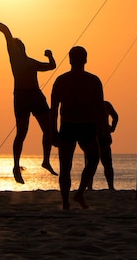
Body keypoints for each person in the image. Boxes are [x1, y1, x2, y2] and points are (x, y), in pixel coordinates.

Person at [0, 15, 57, 184]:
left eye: (20, 47)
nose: (19, 49)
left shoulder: (30, 62)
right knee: (21, 133)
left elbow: (51, 66)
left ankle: (46, 160)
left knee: (49, 129)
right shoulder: (15, 59)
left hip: (36, 95)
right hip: (22, 97)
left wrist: (50, 55)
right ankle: (16, 166)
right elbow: (6, 31)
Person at [50, 46, 105, 209]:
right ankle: (70, 199)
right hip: (72, 125)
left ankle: (75, 196)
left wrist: (53, 131)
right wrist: (53, 132)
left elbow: (100, 107)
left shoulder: (90, 80)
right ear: (85, 59)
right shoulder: (87, 80)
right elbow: (53, 109)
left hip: (81, 126)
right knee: (68, 164)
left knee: (86, 160)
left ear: (70, 59)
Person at [88, 101, 119, 190]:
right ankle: (89, 186)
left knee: (107, 164)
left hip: (103, 138)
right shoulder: (87, 104)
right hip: (91, 138)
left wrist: (113, 127)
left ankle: (111, 186)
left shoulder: (106, 104)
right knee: (91, 164)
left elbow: (115, 116)